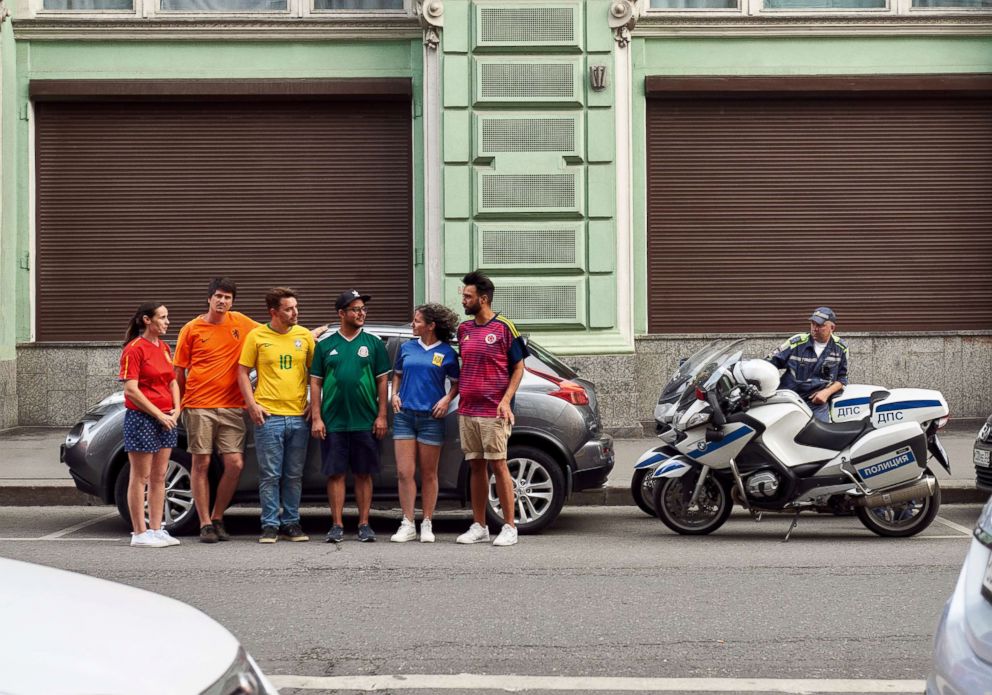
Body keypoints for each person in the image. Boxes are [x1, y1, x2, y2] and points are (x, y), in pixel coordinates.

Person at [174, 278, 260, 543]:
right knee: (202, 463)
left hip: (233, 407)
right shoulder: (192, 328)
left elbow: (272, 333)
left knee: (235, 464)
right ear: (209, 299)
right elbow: (179, 371)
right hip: (199, 406)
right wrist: (181, 404)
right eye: (219, 296)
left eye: (228, 297)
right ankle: (205, 524)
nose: (223, 301)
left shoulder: (241, 323)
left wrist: (309, 333)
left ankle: (218, 515)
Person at [310, 289, 390, 543]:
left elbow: (382, 383)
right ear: (341, 313)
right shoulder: (325, 346)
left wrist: (381, 416)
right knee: (335, 473)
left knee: (363, 473)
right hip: (333, 421)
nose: (361, 313)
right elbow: (315, 384)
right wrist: (316, 417)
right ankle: (336, 524)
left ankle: (364, 524)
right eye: (355, 309)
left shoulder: (374, 344)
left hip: (365, 421)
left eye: (363, 309)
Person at [455, 271, 529, 548]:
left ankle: (510, 526)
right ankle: (479, 525)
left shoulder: (504, 328)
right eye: (463, 295)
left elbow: (519, 367)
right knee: (476, 466)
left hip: (494, 411)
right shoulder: (464, 330)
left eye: (467, 296)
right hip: (467, 409)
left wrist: (506, 399)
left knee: (499, 465)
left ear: (483, 299)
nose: (463, 300)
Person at [237, 288, 316, 544]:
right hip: (268, 416)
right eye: (289, 309)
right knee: (270, 474)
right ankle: (269, 524)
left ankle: (291, 522)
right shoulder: (257, 336)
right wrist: (252, 405)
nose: (295, 312)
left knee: (293, 474)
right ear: (274, 312)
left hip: (298, 416)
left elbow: (317, 374)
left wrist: (315, 402)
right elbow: (242, 372)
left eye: (296, 307)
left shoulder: (304, 336)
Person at [389, 303, 460, 543]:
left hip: (431, 418)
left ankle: (427, 522)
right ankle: (408, 522)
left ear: (431, 325)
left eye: (417, 321)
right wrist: (394, 394)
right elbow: (397, 374)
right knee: (404, 472)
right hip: (405, 416)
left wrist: (446, 399)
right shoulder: (407, 347)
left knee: (429, 473)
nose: (413, 324)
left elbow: (456, 383)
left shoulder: (447, 353)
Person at [119, 302, 182, 548]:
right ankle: (139, 532)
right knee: (141, 476)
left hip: (166, 418)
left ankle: (157, 528)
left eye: (167, 317)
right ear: (147, 320)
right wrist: (158, 414)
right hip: (143, 418)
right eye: (163, 317)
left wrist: (176, 409)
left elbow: (172, 381)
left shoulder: (164, 347)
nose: (167, 322)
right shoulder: (134, 349)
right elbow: (131, 389)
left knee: (159, 476)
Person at [767, 306, 849, 422]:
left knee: (819, 435)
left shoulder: (841, 348)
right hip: (788, 400)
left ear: (832, 328)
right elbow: (769, 363)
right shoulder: (796, 342)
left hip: (816, 403)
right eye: (813, 324)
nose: (814, 329)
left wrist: (826, 392)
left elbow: (842, 378)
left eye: (820, 325)